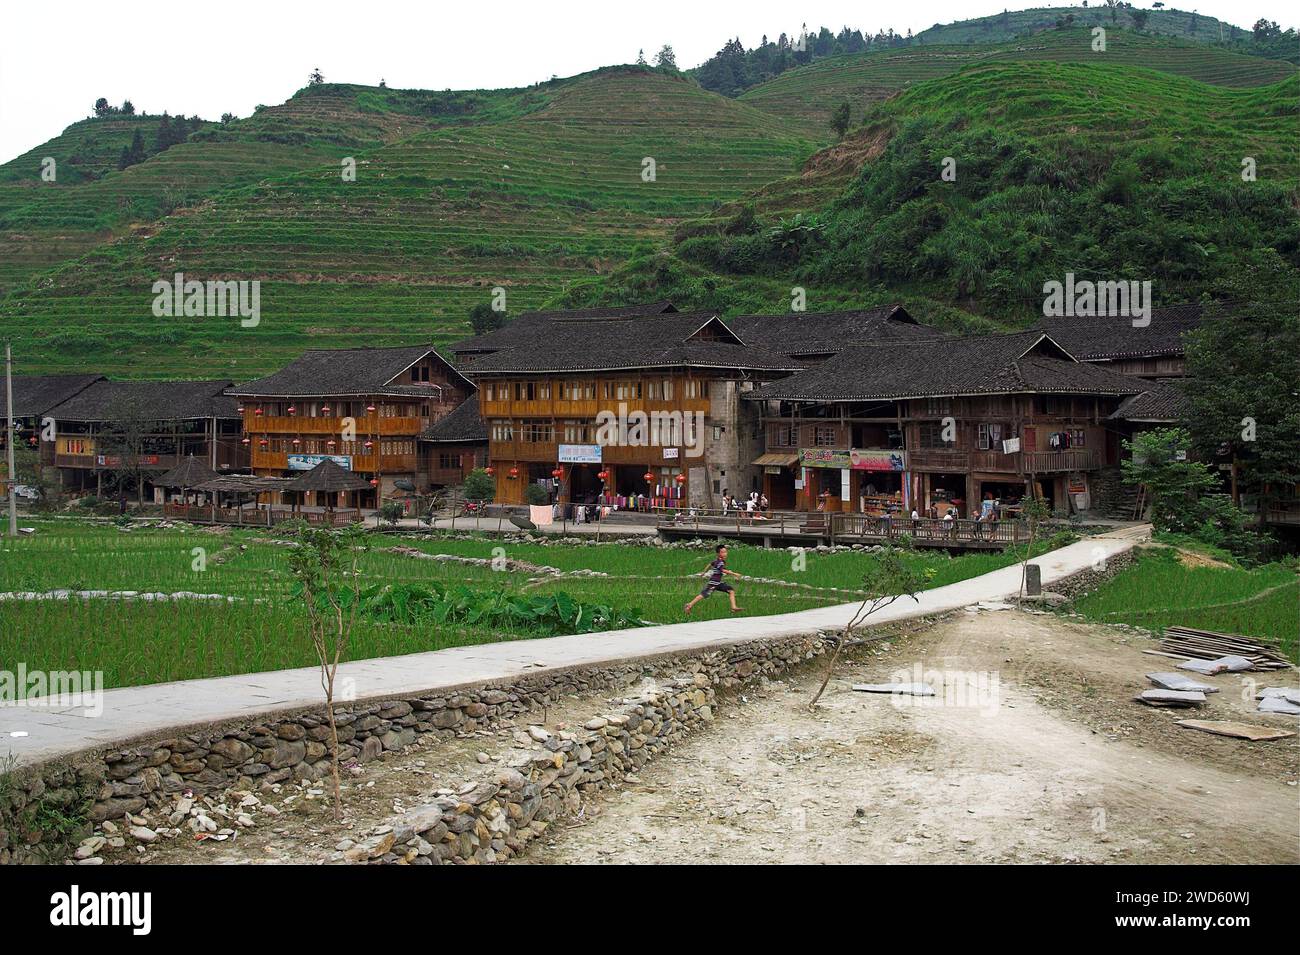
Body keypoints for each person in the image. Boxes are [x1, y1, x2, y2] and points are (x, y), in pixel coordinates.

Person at [684, 544, 743, 615]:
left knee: (731, 590)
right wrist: (734, 574)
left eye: (726, 552)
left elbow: (710, 564)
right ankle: (689, 605)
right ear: (718, 554)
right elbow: (723, 570)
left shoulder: (717, 561)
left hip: (718, 582)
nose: (725, 554)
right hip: (714, 583)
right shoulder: (720, 562)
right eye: (723, 552)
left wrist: (704, 572)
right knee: (704, 594)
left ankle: (733, 607)